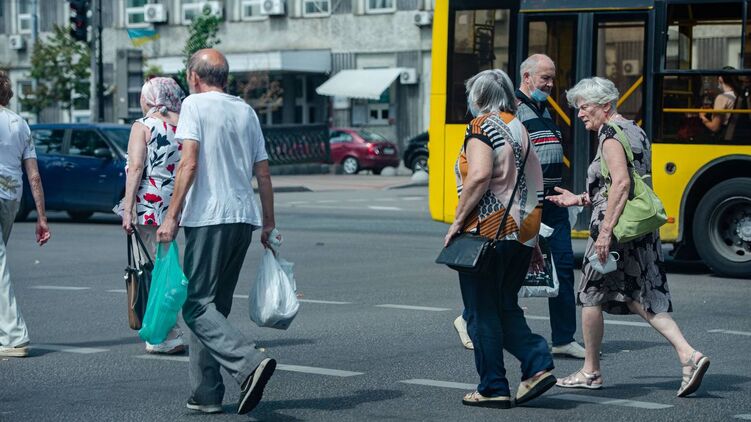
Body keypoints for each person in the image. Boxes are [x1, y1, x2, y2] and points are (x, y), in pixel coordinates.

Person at [547, 77, 709, 397]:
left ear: (605, 106)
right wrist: (580, 199)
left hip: (615, 229)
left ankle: (591, 371)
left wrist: (605, 234)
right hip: (635, 227)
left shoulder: (609, 135)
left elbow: (620, 185)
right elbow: (622, 184)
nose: (579, 114)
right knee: (636, 296)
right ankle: (688, 354)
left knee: (591, 293)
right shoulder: (634, 130)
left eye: (584, 107)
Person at [156, 49, 276, 415]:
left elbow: (189, 163)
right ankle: (206, 393)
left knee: (194, 306)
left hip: (209, 216)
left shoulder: (194, 105)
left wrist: (171, 215)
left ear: (194, 76)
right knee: (214, 309)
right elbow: (264, 172)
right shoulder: (245, 110)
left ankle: (247, 363)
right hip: (242, 217)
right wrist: (268, 223)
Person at [445, 69, 555, 409]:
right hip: (519, 236)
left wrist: (457, 221)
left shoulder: (481, 127)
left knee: (481, 312)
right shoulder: (519, 127)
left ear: (478, 99)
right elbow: (534, 187)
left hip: (486, 232)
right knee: (504, 306)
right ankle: (536, 363)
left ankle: (493, 385)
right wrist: (534, 240)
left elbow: (478, 177)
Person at [118, 76, 187, 355]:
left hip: (149, 204)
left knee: (153, 271)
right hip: (177, 205)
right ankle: (170, 329)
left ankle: (166, 333)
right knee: (166, 267)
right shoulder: (183, 124)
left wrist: (128, 208)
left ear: (150, 98)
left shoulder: (143, 126)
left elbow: (135, 168)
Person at [0, 70, 51, 358]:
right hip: (11, 196)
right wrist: (41, 217)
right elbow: (34, 175)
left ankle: (15, 335)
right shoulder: (20, 124)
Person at [699, 68, 739, 137]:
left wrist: (702, 117)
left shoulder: (721, 98)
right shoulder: (738, 95)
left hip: (722, 136)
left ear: (721, 79)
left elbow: (714, 127)